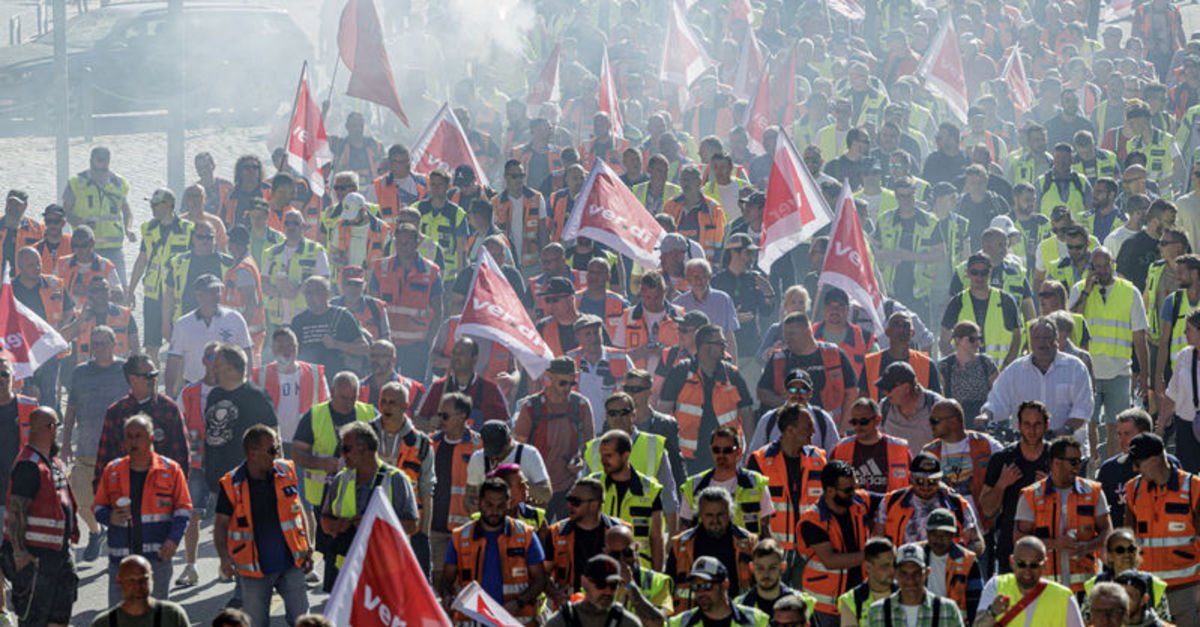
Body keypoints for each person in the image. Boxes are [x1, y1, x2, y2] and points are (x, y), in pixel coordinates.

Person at [214, 424, 311, 626]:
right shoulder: (232, 484)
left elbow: (298, 508)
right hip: (255, 573)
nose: (276, 454)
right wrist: (224, 558)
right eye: (271, 450)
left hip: (291, 564)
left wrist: (308, 546)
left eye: (276, 448)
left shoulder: (286, 471)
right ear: (253, 453)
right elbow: (221, 525)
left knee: (304, 622)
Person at [93, 414, 191, 605]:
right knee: (120, 616)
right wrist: (109, 516)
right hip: (121, 561)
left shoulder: (170, 470)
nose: (133, 441)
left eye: (139, 436)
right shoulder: (112, 470)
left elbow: (183, 509)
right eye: (129, 436)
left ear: (151, 438)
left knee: (156, 616)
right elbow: (98, 507)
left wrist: (173, 540)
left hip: (157, 558)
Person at [1070, 247, 1151, 457]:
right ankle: (1093, 465)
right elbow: (1072, 323)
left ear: (1112, 264)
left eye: (1106, 266)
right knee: (1089, 423)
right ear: (1091, 268)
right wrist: (1086, 291)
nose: (1103, 271)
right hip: (1089, 371)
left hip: (1119, 370)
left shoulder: (1130, 291)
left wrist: (1144, 372)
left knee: (1117, 425)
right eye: (1097, 267)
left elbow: (1139, 336)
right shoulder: (1080, 289)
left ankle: (1111, 466)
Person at [2, 407, 79, 627]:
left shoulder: (50, 462)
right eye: (57, 427)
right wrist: (19, 555)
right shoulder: (29, 465)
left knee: (58, 618)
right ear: (51, 428)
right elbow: (17, 510)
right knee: (35, 620)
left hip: (57, 556)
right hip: (36, 560)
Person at [321, 421, 418, 590]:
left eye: (346, 449)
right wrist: (344, 524)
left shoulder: (396, 479)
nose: (342, 454)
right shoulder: (340, 480)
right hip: (348, 572)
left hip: (386, 573)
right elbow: (325, 521)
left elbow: (411, 525)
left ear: (364, 449)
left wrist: (373, 524)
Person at [439, 477, 548, 622]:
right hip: (472, 621)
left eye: (500, 505)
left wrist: (519, 602)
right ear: (480, 502)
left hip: (513, 620)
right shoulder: (460, 537)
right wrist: (447, 597)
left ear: (509, 503)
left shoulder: (525, 535)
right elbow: (446, 580)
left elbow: (540, 579)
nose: (494, 511)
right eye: (489, 505)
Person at [1015, 436, 1112, 593]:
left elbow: (1107, 532)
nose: (1078, 466)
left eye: (1080, 461)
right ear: (1056, 463)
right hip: (1046, 588)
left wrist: (1087, 547)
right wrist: (1055, 544)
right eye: (1073, 462)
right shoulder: (1031, 495)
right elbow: (1019, 539)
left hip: (1085, 588)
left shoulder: (1094, 492)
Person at [63, 327, 128, 562]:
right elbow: (70, 409)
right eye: (95, 343)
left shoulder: (125, 370)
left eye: (103, 343)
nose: (98, 348)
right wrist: (66, 442)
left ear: (114, 344)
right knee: (81, 501)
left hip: (119, 450)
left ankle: (121, 545)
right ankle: (95, 532)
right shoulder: (80, 373)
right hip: (87, 448)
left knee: (120, 500)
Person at [977, 317, 1094, 442]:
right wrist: (986, 415)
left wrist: (1063, 431)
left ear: (1056, 340)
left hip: (1066, 448)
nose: (1041, 342)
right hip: (1026, 449)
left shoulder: (1075, 368)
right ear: (1030, 341)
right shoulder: (1014, 371)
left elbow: (1083, 407)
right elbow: (998, 401)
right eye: (1036, 338)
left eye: (1046, 337)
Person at [1124, 433, 1200, 619]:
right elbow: (1128, 538)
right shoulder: (1133, 489)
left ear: (1154, 460)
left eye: (1138, 463)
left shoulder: (1193, 488)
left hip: (1188, 591)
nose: (1134, 469)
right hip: (1149, 591)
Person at [660, 324, 755, 472]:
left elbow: (747, 413)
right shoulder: (680, 373)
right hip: (689, 458)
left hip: (726, 455)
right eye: (720, 343)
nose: (725, 347)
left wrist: (750, 449)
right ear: (704, 346)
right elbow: (663, 412)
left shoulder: (732, 375)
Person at [796, 460, 880, 627]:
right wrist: (873, 555)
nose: (853, 493)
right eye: (847, 490)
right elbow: (831, 561)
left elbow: (890, 500)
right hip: (826, 605)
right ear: (829, 490)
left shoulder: (858, 501)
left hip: (858, 598)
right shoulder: (812, 520)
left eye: (854, 487)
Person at [92, 354, 189, 491]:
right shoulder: (116, 412)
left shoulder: (168, 409)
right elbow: (105, 456)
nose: (154, 379)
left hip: (162, 491)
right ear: (132, 379)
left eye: (155, 374)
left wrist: (178, 491)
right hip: (125, 492)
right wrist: (101, 494)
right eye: (149, 376)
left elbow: (181, 455)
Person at [513, 356, 593, 515]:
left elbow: (589, 445)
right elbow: (520, 450)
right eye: (562, 383)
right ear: (549, 378)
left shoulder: (581, 405)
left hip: (570, 486)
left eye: (572, 383)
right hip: (537, 486)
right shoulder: (531, 407)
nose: (567, 388)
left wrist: (580, 460)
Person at [980, 401, 1053, 574]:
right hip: (1010, 544)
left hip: (1050, 542)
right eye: (1027, 424)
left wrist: (1054, 486)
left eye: (1037, 424)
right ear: (1018, 426)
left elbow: (1075, 498)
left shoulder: (1057, 458)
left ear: (1046, 425)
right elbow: (987, 510)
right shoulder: (1002, 459)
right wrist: (1001, 484)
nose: (1032, 430)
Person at [371, 381, 434, 579]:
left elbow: (427, 488)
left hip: (408, 523)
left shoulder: (421, 442)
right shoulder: (365, 435)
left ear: (405, 407)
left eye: (393, 403)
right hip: (371, 521)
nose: (386, 407)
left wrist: (423, 534)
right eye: (383, 401)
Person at [747, 403, 827, 554]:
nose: (813, 431)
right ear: (790, 430)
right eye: (808, 427)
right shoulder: (760, 461)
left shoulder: (819, 459)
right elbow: (750, 509)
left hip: (810, 550)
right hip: (773, 552)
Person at [291, 371, 376, 512]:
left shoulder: (370, 414)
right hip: (322, 498)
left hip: (360, 496)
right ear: (331, 391)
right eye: (343, 398)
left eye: (352, 398)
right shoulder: (314, 415)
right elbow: (296, 452)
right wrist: (320, 463)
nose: (348, 403)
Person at [203, 344, 279, 495]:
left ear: (231, 368)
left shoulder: (256, 397)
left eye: (217, 365)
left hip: (248, 484)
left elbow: (274, 439)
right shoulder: (214, 395)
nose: (212, 368)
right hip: (217, 484)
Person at [125, 188, 193, 358]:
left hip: (177, 295)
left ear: (169, 205)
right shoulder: (148, 229)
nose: (152, 207)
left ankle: (179, 383)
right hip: (153, 295)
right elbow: (141, 260)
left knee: (180, 342)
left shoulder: (187, 229)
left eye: (156, 204)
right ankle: (153, 383)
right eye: (151, 204)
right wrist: (131, 289)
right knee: (151, 345)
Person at [758, 312, 858, 426]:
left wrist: (842, 428)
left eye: (792, 334)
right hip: (790, 430)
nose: (787, 339)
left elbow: (852, 392)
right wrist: (789, 405)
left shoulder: (834, 354)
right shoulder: (778, 359)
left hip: (828, 428)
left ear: (808, 332)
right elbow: (762, 392)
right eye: (785, 334)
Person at [666, 487, 759, 609]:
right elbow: (668, 589)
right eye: (709, 515)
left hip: (737, 617)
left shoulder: (749, 543)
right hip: (692, 618)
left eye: (720, 515)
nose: (715, 520)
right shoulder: (681, 544)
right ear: (700, 515)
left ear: (730, 514)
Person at [164, 274, 253, 397]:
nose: (216, 296)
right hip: (195, 390)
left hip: (228, 388)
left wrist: (246, 385)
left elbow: (247, 353)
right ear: (198, 295)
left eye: (218, 291)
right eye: (211, 291)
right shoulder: (183, 324)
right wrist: (169, 395)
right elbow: (173, 361)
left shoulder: (235, 319)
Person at [923, 399, 1002, 535]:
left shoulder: (986, 444)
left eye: (934, 421)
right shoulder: (928, 452)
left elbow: (1009, 465)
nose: (930, 425)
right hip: (945, 534)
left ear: (954, 421)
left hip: (984, 529)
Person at [544, 477, 626, 602]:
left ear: (594, 505)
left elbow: (632, 574)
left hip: (608, 608)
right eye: (569, 500)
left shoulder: (619, 532)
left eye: (576, 502)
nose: (569, 505)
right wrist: (556, 594)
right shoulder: (556, 533)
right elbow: (542, 574)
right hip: (570, 609)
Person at [679, 427, 772, 536]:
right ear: (711, 451)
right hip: (705, 551)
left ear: (739, 452)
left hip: (745, 550)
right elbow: (684, 530)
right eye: (716, 450)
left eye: (727, 450)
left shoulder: (756, 483)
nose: (721, 455)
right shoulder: (693, 486)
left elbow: (765, 528)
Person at [63, 146, 135, 286]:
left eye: (105, 164)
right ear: (91, 162)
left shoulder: (118, 183)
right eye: (98, 163)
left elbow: (127, 211)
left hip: (113, 248)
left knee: (119, 288)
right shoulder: (77, 182)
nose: (101, 169)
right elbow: (65, 212)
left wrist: (128, 229)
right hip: (85, 248)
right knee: (85, 288)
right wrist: (81, 223)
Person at [252, 327, 330, 457]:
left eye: (290, 345)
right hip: (272, 442)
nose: (286, 350)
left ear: (297, 347)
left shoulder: (315, 373)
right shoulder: (260, 375)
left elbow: (326, 405)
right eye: (280, 346)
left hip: (306, 441)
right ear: (273, 349)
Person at [974, 537, 1085, 627]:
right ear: (1012, 562)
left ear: (1045, 565)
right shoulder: (996, 585)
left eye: (1034, 565)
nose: (1027, 571)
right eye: (1021, 564)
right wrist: (992, 612)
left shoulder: (1064, 597)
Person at [941, 253, 1022, 368]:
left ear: (990, 272)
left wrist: (1006, 366)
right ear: (968, 273)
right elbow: (944, 341)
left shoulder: (1006, 301)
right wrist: (960, 366)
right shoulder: (957, 302)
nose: (979, 277)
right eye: (975, 272)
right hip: (967, 374)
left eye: (984, 273)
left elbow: (1017, 338)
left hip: (1000, 374)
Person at [1083, 529, 1172, 624]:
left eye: (1131, 549)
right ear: (1109, 556)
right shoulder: (1095, 585)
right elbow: (1085, 622)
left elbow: (1164, 623)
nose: (1127, 554)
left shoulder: (1153, 584)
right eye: (1120, 550)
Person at [864, 543, 963, 626]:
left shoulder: (948, 610)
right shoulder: (877, 612)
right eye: (904, 573)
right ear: (895, 574)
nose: (910, 580)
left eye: (916, 573)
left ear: (927, 573)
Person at [569, 315, 636, 432]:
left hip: (615, 427)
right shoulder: (570, 360)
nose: (593, 338)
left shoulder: (621, 357)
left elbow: (635, 389)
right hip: (579, 429)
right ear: (577, 338)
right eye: (588, 334)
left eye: (596, 333)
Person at [831, 398, 913, 493]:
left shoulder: (899, 449)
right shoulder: (841, 449)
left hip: (890, 506)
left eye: (863, 422)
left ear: (877, 420)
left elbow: (913, 483)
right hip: (854, 507)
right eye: (854, 422)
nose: (858, 427)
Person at [89, 555, 191, 627]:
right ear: (119, 581)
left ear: (152, 578)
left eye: (143, 580)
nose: (138, 587)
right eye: (131, 581)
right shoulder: (103, 623)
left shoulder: (172, 615)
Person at [921, 508, 985, 623]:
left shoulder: (968, 561)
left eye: (945, 534)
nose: (939, 539)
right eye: (934, 533)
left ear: (953, 535)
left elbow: (976, 600)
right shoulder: (916, 555)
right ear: (927, 533)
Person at [545, 554, 644, 627]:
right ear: (584, 582)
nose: (608, 591)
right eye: (601, 584)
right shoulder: (561, 622)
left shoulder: (627, 623)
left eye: (613, 585)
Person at [668, 556, 769, 627]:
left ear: (725, 585)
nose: (701, 593)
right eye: (695, 587)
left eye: (707, 586)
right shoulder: (678, 624)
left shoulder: (757, 621)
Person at [861, 310, 939, 400]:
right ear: (887, 332)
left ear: (912, 333)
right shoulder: (870, 363)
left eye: (906, 325)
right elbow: (863, 400)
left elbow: (936, 402)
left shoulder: (927, 364)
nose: (901, 329)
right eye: (896, 324)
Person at [605, 525, 672, 627]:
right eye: (615, 555)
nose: (622, 560)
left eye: (627, 553)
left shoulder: (658, 581)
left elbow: (657, 623)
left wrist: (630, 586)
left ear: (636, 548)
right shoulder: (596, 580)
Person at [1159, 308, 1200, 472]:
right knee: (1188, 478)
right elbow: (1171, 395)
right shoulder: (1184, 356)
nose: (1184, 333)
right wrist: (1160, 427)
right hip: (1186, 426)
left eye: (1188, 329)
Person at [877, 362, 945, 455]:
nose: (885, 392)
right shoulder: (884, 407)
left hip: (931, 467)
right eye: (883, 388)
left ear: (906, 388)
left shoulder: (937, 406)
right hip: (897, 468)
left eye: (889, 388)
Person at [938, 321, 999, 418]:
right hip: (955, 421)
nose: (977, 344)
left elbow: (998, 395)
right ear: (957, 340)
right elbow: (939, 398)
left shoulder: (986, 363)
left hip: (982, 421)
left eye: (979, 339)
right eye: (972, 339)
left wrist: (986, 415)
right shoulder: (945, 366)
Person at [838, 537, 897, 627]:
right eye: (885, 566)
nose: (892, 570)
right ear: (868, 567)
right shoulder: (850, 600)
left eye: (894, 564)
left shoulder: (908, 594)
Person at [736, 539, 802, 617]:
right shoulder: (738, 607)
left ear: (783, 567)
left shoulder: (803, 604)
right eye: (760, 568)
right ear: (751, 568)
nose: (766, 574)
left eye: (772, 568)